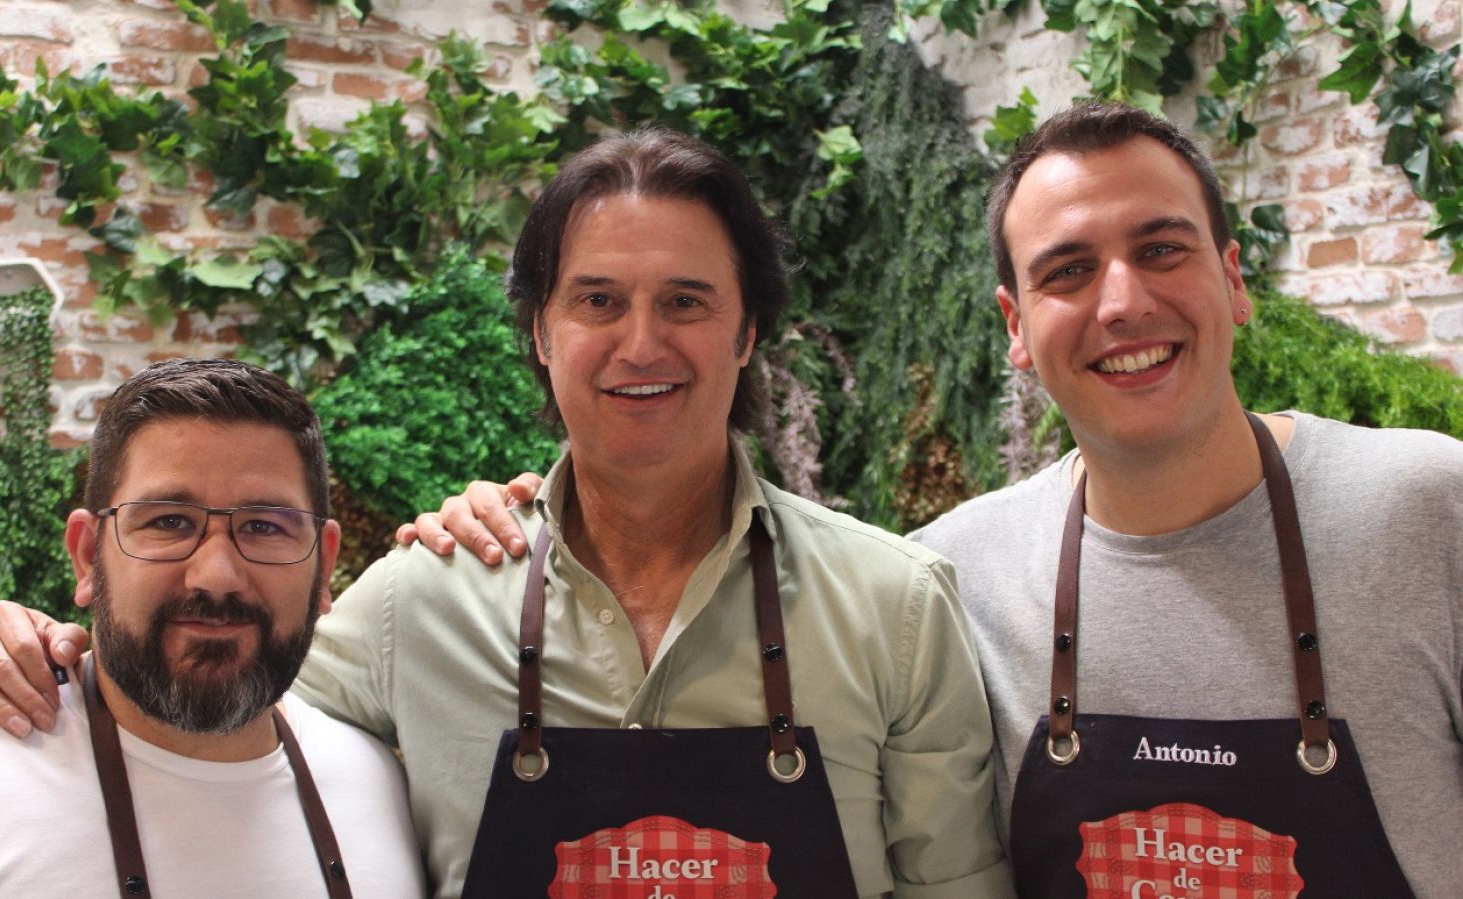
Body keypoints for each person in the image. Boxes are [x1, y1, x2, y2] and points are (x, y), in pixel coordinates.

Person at [396, 103, 1463, 898]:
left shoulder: (1426, 508)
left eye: (1160, 249)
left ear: (1233, 277)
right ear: (1014, 323)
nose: (1123, 300)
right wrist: (518, 520)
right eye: (1067, 271)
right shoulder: (962, 571)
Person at [0, 130, 1015, 898]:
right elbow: (206, 673)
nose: (641, 342)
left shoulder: (894, 607)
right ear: (541, 333)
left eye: (685, 301)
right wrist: (40, 645)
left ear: (746, 334)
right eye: (597, 300)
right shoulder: (422, 599)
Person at [0, 358, 425, 897]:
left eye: (263, 526)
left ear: (323, 566)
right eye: (169, 522)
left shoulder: (375, 782)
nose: (218, 577)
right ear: (87, 556)